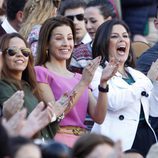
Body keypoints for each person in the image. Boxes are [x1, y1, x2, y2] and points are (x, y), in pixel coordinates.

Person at [35, 15, 118, 147]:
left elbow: (99, 117)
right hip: (58, 142)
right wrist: (83, 83)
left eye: (69, 38)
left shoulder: (79, 77)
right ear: (46, 43)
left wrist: (103, 83)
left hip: (83, 143)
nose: (66, 44)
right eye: (58, 38)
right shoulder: (40, 72)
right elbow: (55, 114)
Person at [91, 19, 158, 157]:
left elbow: (153, 111)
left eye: (125, 36)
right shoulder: (96, 72)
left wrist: (156, 84)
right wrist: (148, 81)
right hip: (119, 140)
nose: (122, 40)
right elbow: (113, 102)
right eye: (115, 36)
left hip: (145, 137)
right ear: (104, 42)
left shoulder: (136, 74)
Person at [0, 33, 62, 139]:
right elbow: (21, 123)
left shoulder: (29, 86)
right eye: (12, 51)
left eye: (25, 52)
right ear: (2, 57)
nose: (20, 55)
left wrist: (56, 114)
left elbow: (47, 131)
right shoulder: (2, 86)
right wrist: (51, 116)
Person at [69, 0, 116, 74]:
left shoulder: (123, 49)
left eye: (93, 21)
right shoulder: (78, 54)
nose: (88, 26)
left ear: (108, 21)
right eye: (85, 22)